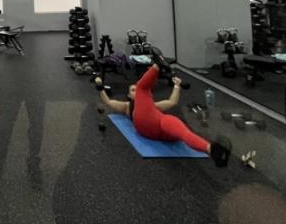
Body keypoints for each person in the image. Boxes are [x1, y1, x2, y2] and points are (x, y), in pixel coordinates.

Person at [95, 63, 232, 167]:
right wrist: (100, 86)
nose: (135, 90)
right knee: (144, 88)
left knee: (182, 132)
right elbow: (108, 102)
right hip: (147, 130)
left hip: (163, 132)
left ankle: (211, 150)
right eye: (132, 90)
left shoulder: (152, 106)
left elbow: (172, 102)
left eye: (136, 89)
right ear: (129, 95)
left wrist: (177, 86)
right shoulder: (126, 106)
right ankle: (156, 67)